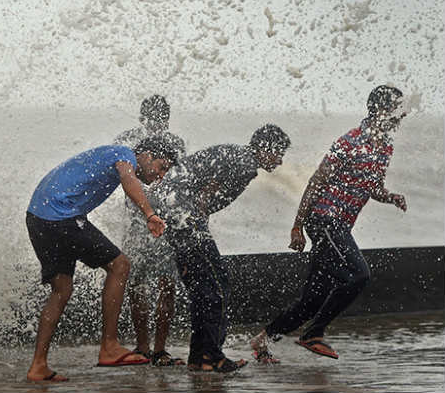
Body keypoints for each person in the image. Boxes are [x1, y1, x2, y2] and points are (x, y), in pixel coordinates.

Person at [250, 85, 408, 362]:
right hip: (324, 219)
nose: (401, 116)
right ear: (381, 111)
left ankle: (262, 341)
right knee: (359, 275)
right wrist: (297, 226)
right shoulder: (349, 141)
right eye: (397, 110)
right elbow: (316, 181)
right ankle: (314, 334)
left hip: (339, 226)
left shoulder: (385, 147)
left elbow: (371, 185)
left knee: (312, 299)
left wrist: (390, 196)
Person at [25, 136, 178, 382]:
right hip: (60, 216)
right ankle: (109, 346)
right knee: (120, 265)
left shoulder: (107, 154)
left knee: (61, 289)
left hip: (37, 218)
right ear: (147, 155)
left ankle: (38, 366)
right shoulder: (124, 155)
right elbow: (128, 178)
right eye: (161, 167)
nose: (159, 176)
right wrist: (150, 213)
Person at [156, 124, 290, 373]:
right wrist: (199, 226)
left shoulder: (236, 154)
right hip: (185, 217)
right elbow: (206, 193)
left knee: (201, 290)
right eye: (279, 153)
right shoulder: (246, 164)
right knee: (218, 287)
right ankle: (212, 356)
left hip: (172, 213)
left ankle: (199, 357)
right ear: (265, 148)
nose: (280, 161)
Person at [114, 95, 187, 366]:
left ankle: (160, 347)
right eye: (153, 118)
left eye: (162, 118)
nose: (157, 123)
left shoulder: (177, 144)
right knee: (138, 284)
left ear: (167, 119)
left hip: (166, 221)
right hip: (136, 220)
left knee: (167, 284)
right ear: (142, 118)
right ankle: (144, 345)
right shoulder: (128, 140)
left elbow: (182, 181)